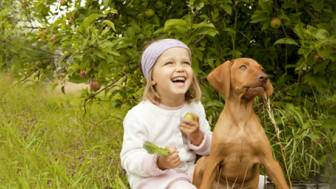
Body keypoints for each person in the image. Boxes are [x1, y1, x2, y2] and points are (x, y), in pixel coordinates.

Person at [120, 38, 267, 189]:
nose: (180, 68)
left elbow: (212, 148)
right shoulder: (138, 115)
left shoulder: (194, 107)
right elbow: (129, 158)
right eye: (169, 63)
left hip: (189, 172)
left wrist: (198, 137)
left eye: (185, 63)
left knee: (223, 166)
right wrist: (158, 162)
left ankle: (263, 183)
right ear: (152, 78)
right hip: (156, 180)